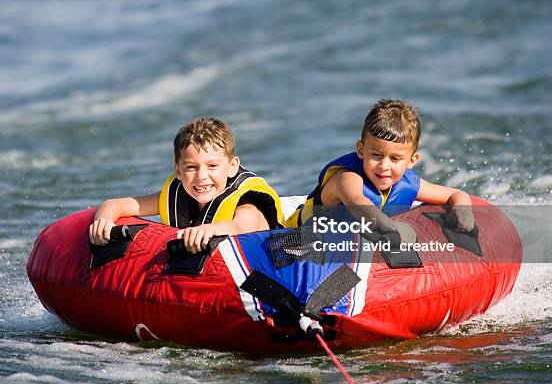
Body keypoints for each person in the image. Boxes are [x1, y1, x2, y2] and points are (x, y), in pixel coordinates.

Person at [285, 99, 474, 243]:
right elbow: (357, 201)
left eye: (395, 159)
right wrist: (389, 225)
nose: (384, 166)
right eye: (376, 155)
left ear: (412, 160)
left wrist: (462, 211)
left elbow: (456, 194)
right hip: (299, 240)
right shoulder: (347, 178)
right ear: (361, 150)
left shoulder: (408, 184)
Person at [89, 117, 284, 253]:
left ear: (232, 167)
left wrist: (207, 230)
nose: (201, 176)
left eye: (212, 166)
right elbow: (116, 205)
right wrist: (103, 222)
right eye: (191, 167)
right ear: (178, 170)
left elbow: (240, 227)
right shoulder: (176, 196)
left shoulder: (247, 203)